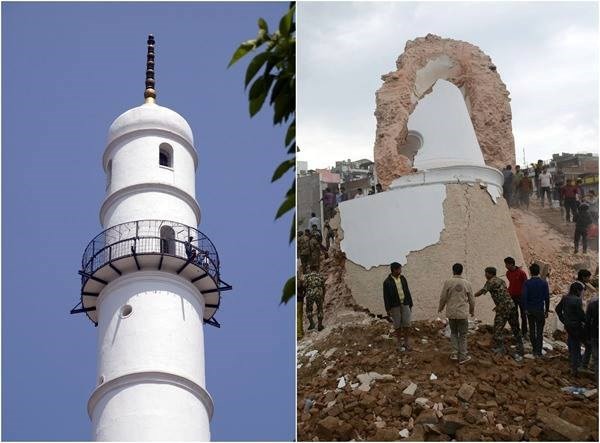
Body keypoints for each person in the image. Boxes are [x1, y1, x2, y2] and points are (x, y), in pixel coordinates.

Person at [474, 267, 525, 360]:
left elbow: (482, 291)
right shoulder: (501, 281)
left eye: (486, 273)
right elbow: (503, 294)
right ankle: (520, 346)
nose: (485, 275)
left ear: (490, 273)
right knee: (515, 327)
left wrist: (472, 295)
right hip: (511, 305)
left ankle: (500, 348)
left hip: (503, 308)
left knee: (497, 328)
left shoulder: (491, 282)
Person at [438, 263, 475, 364]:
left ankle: (454, 353)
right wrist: (472, 311)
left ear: (453, 270)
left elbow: (443, 297)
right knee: (463, 335)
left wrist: (440, 308)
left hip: (451, 313)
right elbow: (472, 299)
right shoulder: (467, 283)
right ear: (461, 271)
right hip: (462, 314)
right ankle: (463, 356)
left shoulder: (448, 282)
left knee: (454, 333)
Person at [556, 282, 587, 377]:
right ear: (578, 290)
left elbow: (558, 309)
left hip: (568, 325)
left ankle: (574, 363)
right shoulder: (577, 300)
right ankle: (576, 367)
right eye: (581, 291)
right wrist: (588, 321)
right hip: (576, 326)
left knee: (572, 343)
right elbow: (581, 315)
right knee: (579, 346)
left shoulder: (565, 298)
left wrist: (563, 320)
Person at [383, 262, 414, 352]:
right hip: (394, 306)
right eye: (399, 269)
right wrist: (387, 309)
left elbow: (407, 291)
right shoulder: (387, 282)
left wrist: (410, 303)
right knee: (397, 325)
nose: (400, 271)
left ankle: (406, 342)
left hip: (405, 304)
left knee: (406, 324)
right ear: (394, 270)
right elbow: (386, 296)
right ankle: (399, 343)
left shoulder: (403, 278)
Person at [522, 263, 550, 358]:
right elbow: (547, 297)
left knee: (532, 330)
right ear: (539, 272)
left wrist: (525, 308)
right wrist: (547, 310)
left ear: (530, 271)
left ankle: (534, 350)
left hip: (530, 310)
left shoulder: (527, 283)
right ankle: (539, 352)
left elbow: (524, 297)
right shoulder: (544, 283)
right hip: (540, 310)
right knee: (540, 332)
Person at [504, 257, 529, 340]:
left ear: (511, 264)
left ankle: (524, 332)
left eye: (507, 264)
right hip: (512, 296)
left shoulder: (521, 273)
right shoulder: (508, 273)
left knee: (523, 315)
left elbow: (526, 285)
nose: (506, 266)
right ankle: (517, 332)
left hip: (521, 297)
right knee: (514, 315)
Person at [304, 263, 325, 331]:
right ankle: (320, 325)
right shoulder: (320, 276)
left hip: (310, 294)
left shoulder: (307, 276)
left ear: (310, 269)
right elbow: (323, 286)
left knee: (309, 309)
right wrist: (323, 296)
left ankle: (312, 323)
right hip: (319, 293)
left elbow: (304, 285)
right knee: (320, 309)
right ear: (316, 269)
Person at [585, 295, 598, 381]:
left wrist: (587, 336)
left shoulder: (593, 304)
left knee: (596, 359)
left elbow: (587, 322)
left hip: (594, 334)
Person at [297, 268, 305, 340]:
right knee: (300, 316)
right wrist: (302, 296)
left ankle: (298, 334)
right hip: (300, 301)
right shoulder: (300, 282)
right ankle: (301, 332)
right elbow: (304, 290)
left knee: (297, 317)